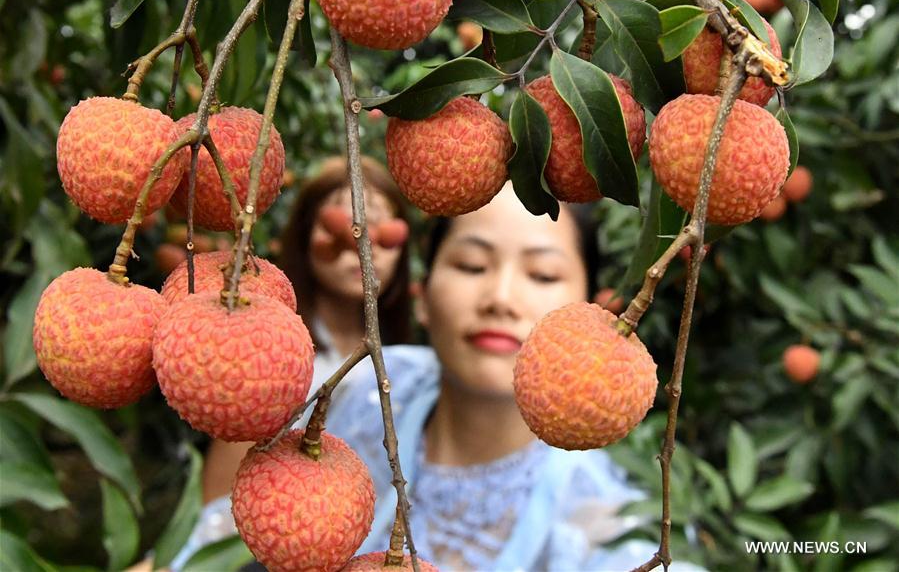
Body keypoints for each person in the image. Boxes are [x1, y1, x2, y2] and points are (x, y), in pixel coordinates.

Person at [324, 182, 706, 571]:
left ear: (593, 307)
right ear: (422, 296)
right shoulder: (364, 391)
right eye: (472, 265)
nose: (501, 298)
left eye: (542, 274)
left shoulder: (611, 525)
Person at [169, 156, 412, 570]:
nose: (359, 244)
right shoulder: (267, 351)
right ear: (302, 237)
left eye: (381, 233)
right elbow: (219, 513)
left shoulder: (409, 367)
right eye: (339, 225)